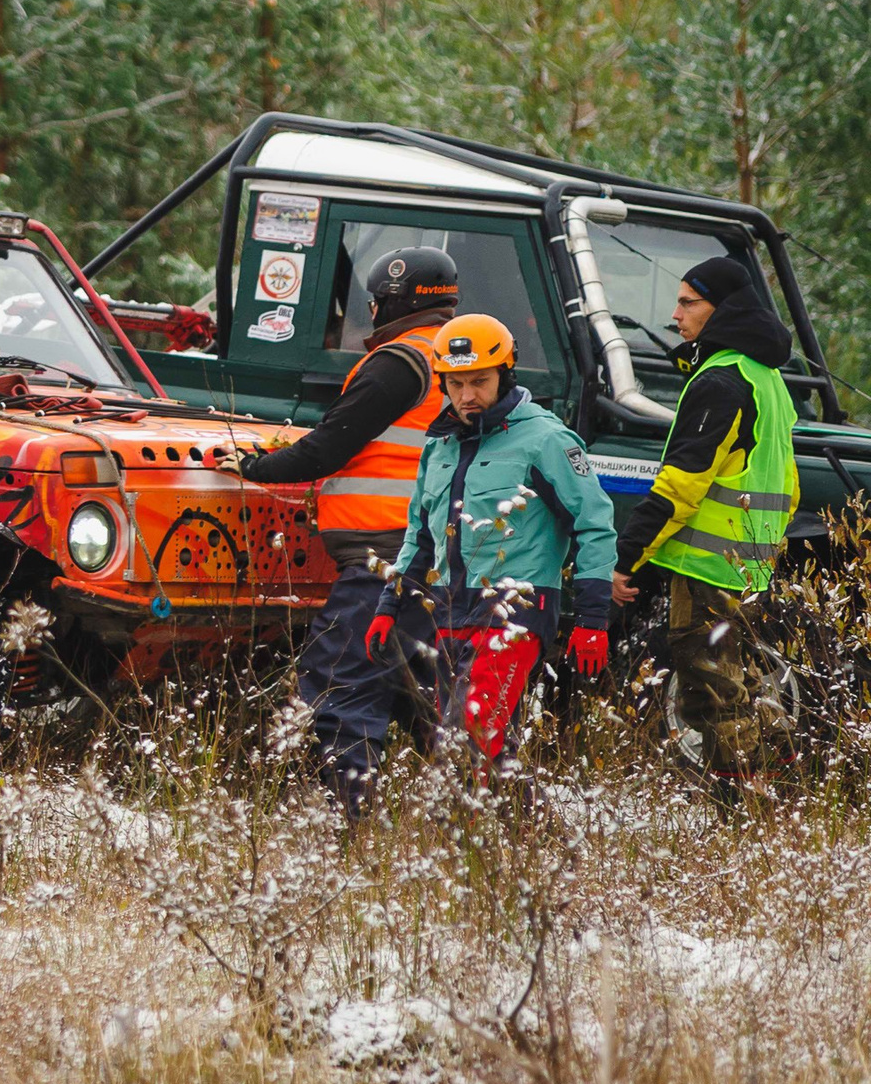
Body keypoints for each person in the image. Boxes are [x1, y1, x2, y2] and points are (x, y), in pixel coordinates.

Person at [236, 247, 459, 813]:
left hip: (383, 558)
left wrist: (253, 467)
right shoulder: (459, 359)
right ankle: (508, 826)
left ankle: (342, 823)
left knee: (343, 683)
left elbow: (329, 447)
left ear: (392, 303)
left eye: (376, 304)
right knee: (435, 704)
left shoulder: (400, 361)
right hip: (435, 559)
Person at [369, 313, 616, 778]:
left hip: (517, 610)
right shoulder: (438, 446)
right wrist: (389, 603)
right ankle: (543, 845)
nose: (467, 396)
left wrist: (593, 619)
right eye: (456, 384)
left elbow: (595, 524)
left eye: (479, 381)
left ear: (506, 373)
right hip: (449, 611)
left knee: (467, 740)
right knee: (486, 750)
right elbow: (420, 535)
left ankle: (460, 844)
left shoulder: (547, 439)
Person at [609, 254, 801, 792]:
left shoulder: (721, 380)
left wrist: (628, 558)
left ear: (723, 311)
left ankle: (741, 803)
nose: (676, 315)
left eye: (688, 303)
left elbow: (682, 484)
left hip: (705, 567)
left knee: (711, 695)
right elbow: (790, 486)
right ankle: (779, 785)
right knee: (729, 688)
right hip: (746, 567)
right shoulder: (767, 379)